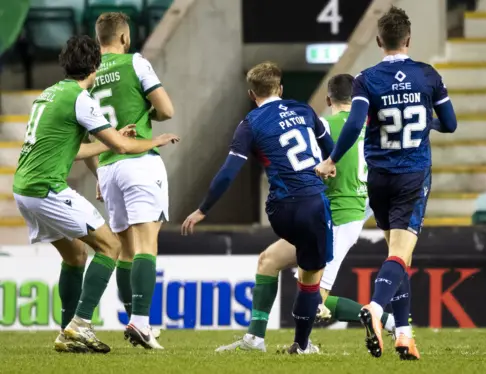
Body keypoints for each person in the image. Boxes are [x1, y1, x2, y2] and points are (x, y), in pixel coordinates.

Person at [12, 35, 179, 353]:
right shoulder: (80, 98)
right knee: (110, 246)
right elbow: (123, 147)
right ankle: (81, 325)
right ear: (95, 65)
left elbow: (74, 149)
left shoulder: (50, 93)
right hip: (47, 188)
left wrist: (112, 139)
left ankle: (67, 332)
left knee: (75, 255)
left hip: (25, 190)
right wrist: (155, 141)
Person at [214, 74, 396, 353]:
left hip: (332, 216)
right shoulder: (370, 129)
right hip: (349, 214)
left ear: (328, 99)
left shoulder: (323, 125)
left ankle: (379, 320)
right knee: (269, 261)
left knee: (315, 297)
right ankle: (255, 339)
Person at [315, 6, 457, 360]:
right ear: (409, 39)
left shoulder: (366, 78)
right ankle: (377, 310)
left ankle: (405, 335)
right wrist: (426, 123)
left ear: (379, 41)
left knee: (396, 252)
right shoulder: (428, 76)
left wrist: (332, 159)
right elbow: (450, 124)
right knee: (399, 253)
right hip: (413, 175)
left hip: (379, 178)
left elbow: (353, 125)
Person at [182, 61, 333, 354]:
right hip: (312, 205)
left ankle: (254, 339)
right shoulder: (304, 111)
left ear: (252, 94)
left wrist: (203, 209)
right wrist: (329, 165)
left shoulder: (250, 123)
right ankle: (302, 345)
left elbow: (228, 172)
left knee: (269, 260)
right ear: (281, 88)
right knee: (310, 276)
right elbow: (330, 147)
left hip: (279, 210)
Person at [90, 12, 175, 349]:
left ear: (99, 40)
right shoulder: (135, 63)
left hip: (108, 166)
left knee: (126, 251)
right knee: (146, 244)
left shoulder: (89, 76)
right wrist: (146, 111)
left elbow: (88, 136)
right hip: (139, 161)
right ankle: (140, 322)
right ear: (124, 38)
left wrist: (98, 173)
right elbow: (166, 110)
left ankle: (136, 321)